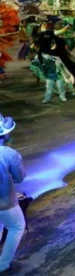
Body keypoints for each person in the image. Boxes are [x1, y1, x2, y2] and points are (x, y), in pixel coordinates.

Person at [0, 115, 25, 273]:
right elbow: (19, 177)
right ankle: (3, 264)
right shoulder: (8, 153)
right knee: (17, 226)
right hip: (5, 202)